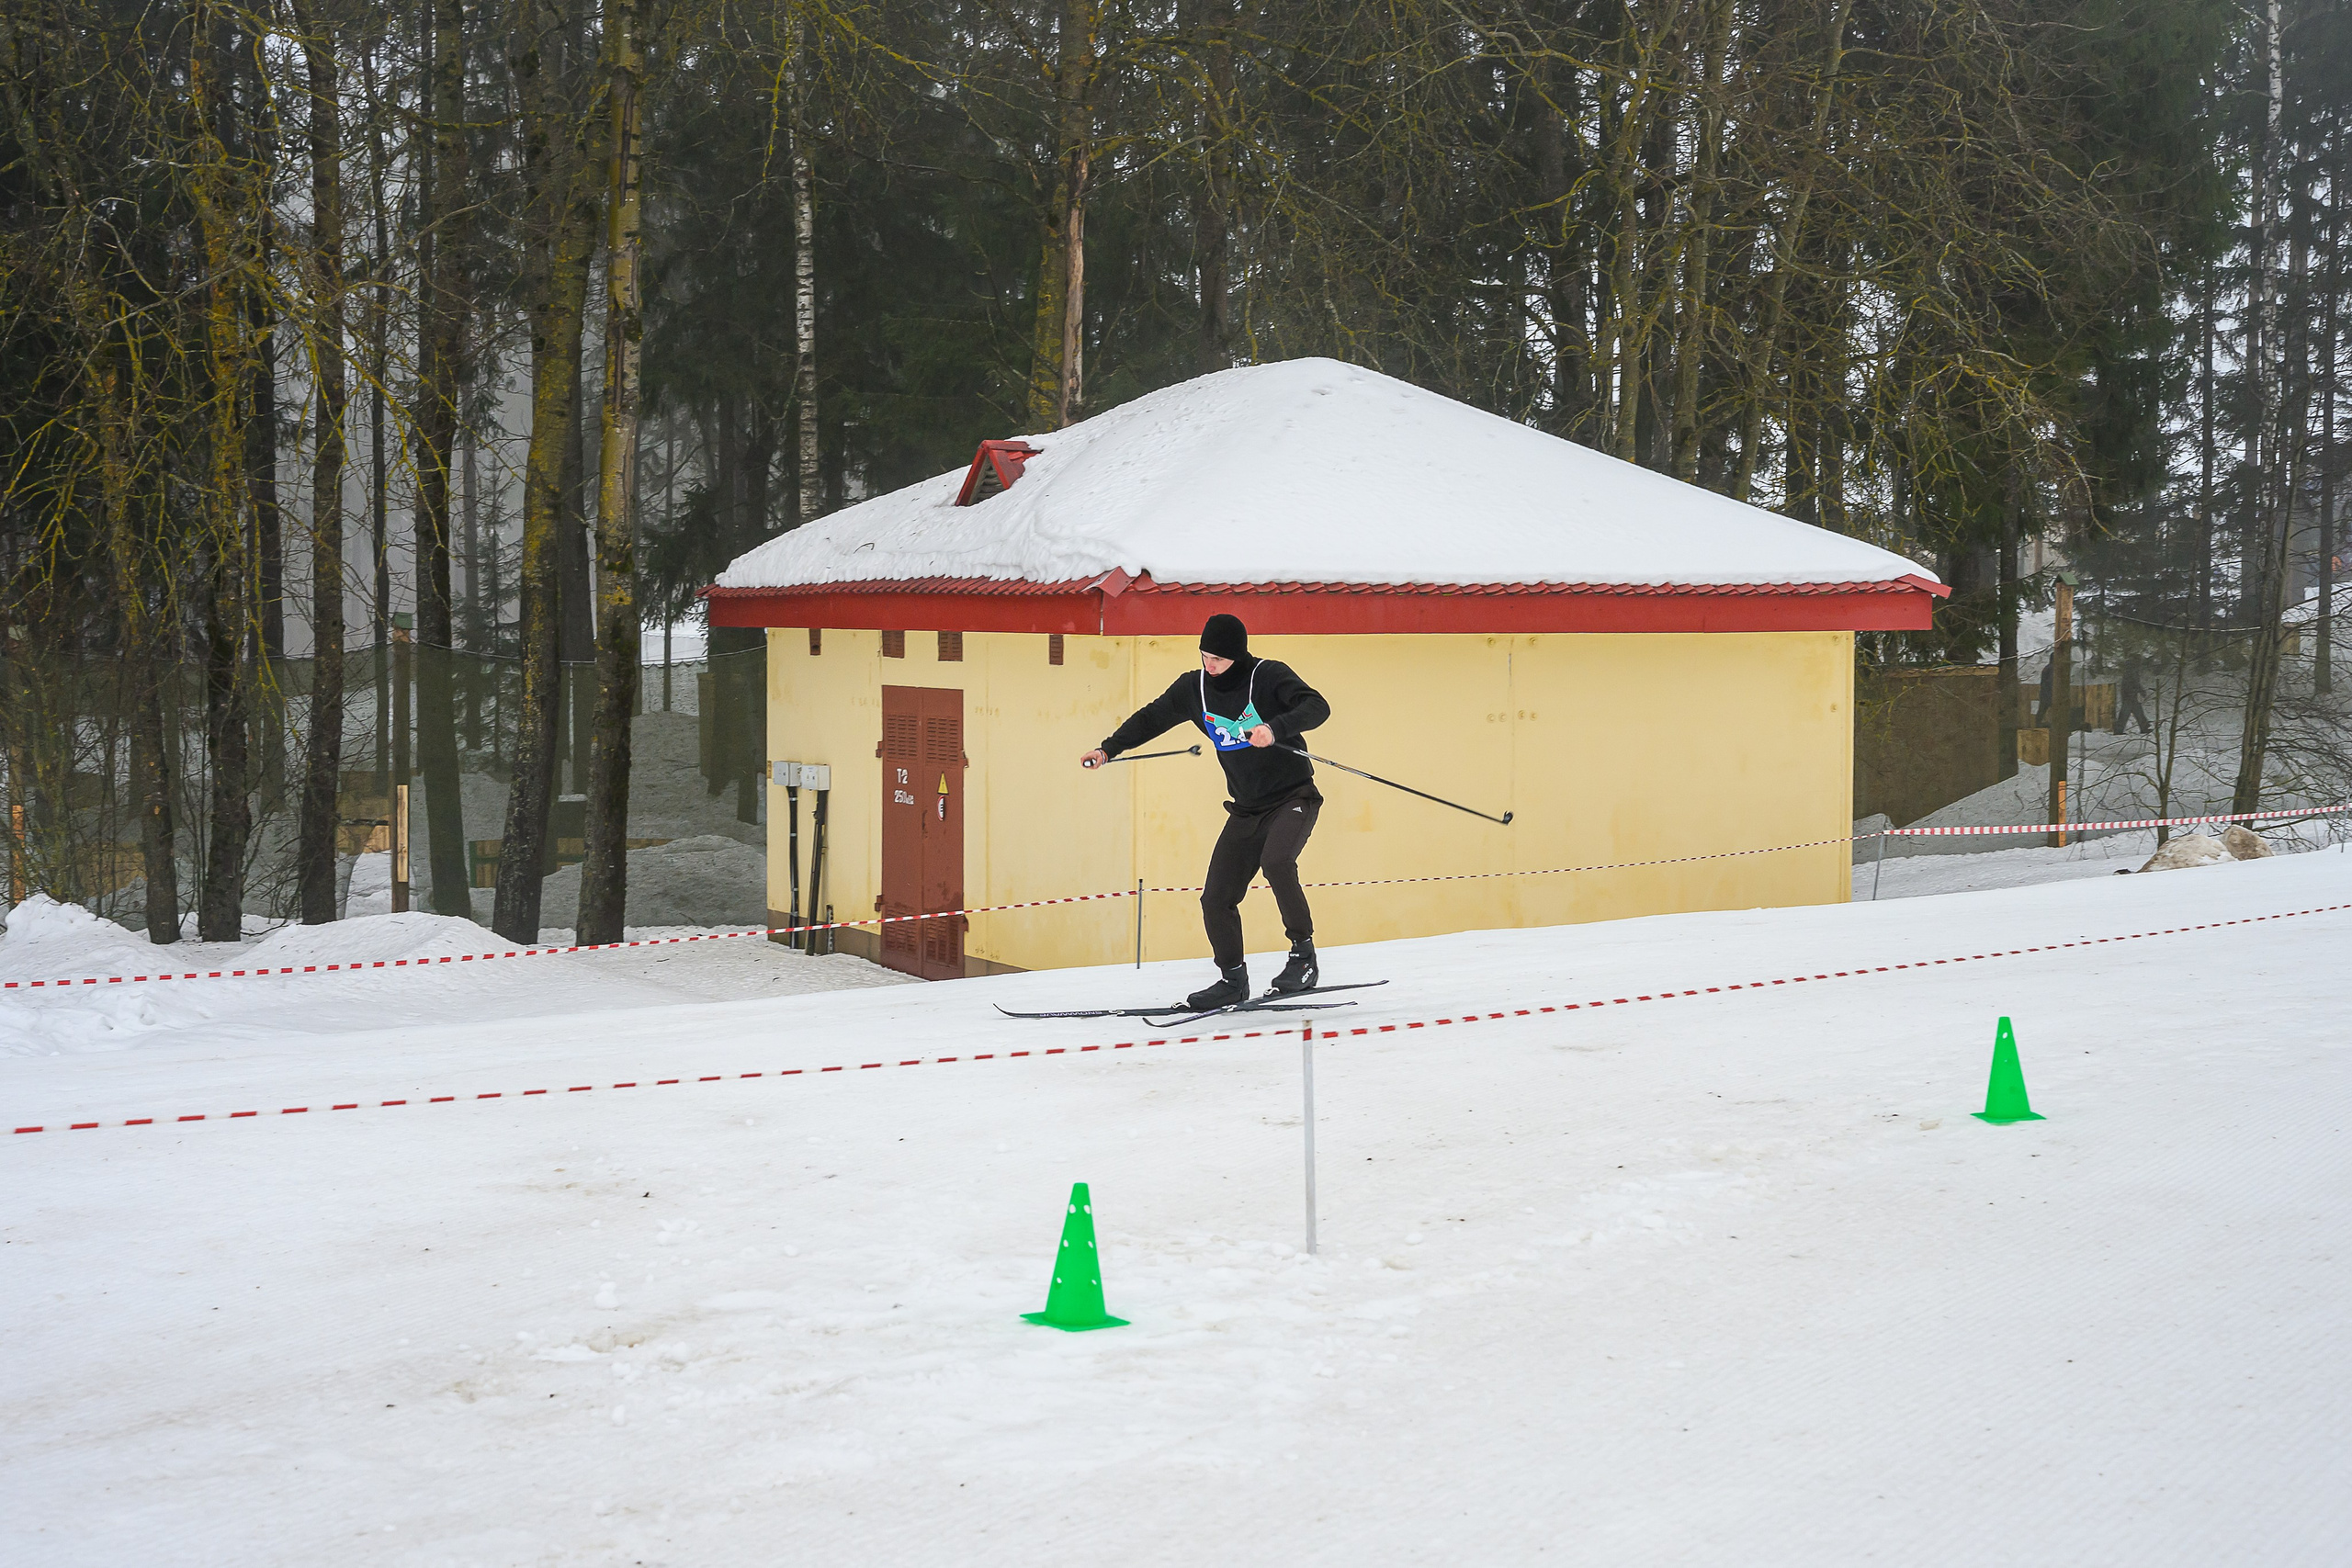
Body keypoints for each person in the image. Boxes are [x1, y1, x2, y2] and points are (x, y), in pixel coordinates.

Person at [1081, 614, 1330, 1009]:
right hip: (1247, 809)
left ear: (1237, 655)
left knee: (1277, 862)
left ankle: (1303, 957)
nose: (1210, 665)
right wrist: (1108, 749)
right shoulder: (1193, 688)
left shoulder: (1266, 676)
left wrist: (1275, 728)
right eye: (1205, 656)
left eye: (1218, 659)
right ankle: (1232, 979)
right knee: (1216, 897)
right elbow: (1151, 717)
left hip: (1292, 797)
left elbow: (1317, 706)